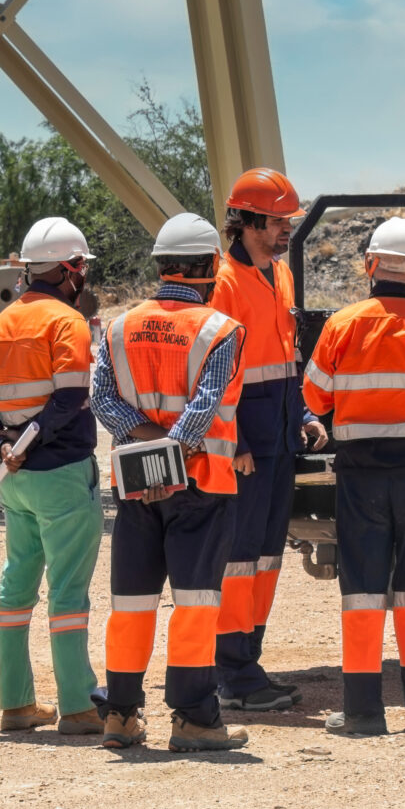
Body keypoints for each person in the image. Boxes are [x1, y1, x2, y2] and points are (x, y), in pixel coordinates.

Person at [300, 217, 405, 737]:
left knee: (363, 592)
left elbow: (314, 399)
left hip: (362, 477)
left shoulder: (341, 325)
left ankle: (362, 713)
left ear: (370, 266)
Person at [87, 212, 252, 753]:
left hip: (134, 487)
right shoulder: (221, 331)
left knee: (131, 604)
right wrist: (169, 462)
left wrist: (147, 455)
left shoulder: (117, 326)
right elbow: (203, 409)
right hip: (200, 487)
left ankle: (120, 716)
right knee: (196, 604)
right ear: (209, 266)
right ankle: (195, 719)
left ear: (161, 266)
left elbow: (104, 401)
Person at [0, 217, 104, 736]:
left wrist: (5, 445)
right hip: (64, 473)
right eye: (81, 269)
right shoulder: (67, 324)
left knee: (17, 584)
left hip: (15, 478)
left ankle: (17, 704)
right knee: (68, 591)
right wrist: (33, 438)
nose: (83, 278)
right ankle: (77, 706)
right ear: (69, 270)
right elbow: (71, 398)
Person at [210, 168, 329, 714]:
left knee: (264, 558)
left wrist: (303, 411)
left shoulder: (279, 276)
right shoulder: (224, 282)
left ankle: (246, 663)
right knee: (239, 559)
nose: (286, 230)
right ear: (250, 221)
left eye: (287, 222)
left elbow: (285, 357)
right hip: (246, 445)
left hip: (279, 435)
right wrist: (230, 438)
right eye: (279, 222)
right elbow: (215, 370)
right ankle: (230, 671)